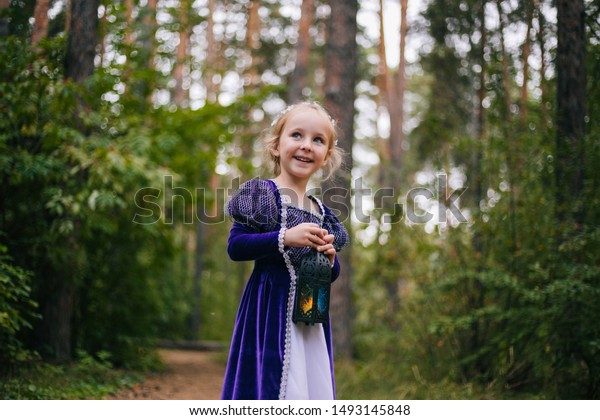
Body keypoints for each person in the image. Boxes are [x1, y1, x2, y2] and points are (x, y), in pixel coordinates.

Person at [221, 101, 349, 400]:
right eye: (297, 135)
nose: (306, 146)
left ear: (326, 156)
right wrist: (285, 237)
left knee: (307, 389)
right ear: (276, 146)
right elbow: (236, 247)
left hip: (310, 317)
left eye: (317, 140)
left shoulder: (322, 212)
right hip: (268, 312)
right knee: (273, 388)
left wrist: (331, 261)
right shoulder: (261, 194)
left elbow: (330, 273)